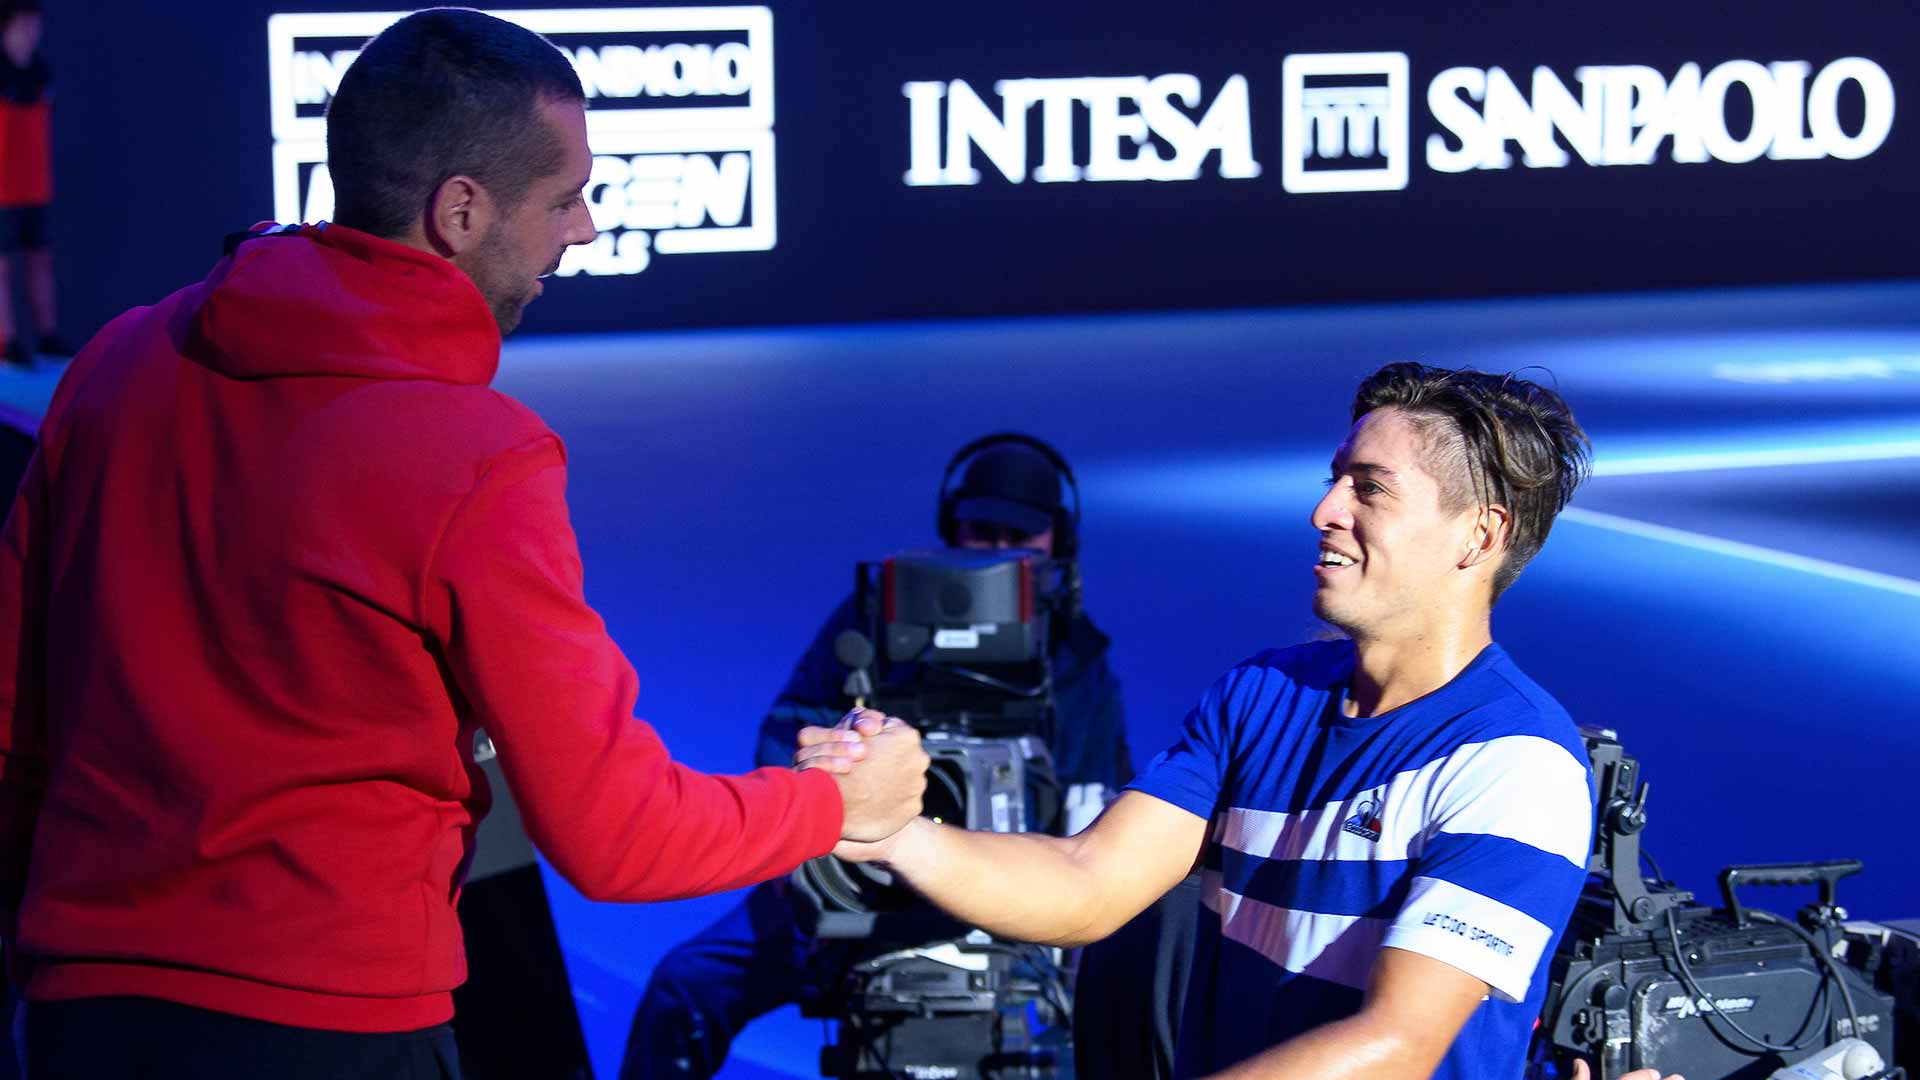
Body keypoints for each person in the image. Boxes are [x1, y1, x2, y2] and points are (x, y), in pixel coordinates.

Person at [0, 11, 926, 1079]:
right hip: (333, 1032)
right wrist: (840, 804)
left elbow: (15, 722)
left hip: (77, 1016)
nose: (581, 229)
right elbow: (616, 834)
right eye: (567, 197)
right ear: (461, 212)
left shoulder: (115, 365)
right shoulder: (478, 457)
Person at [800, 364, 1685, 1080]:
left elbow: (1396, 1045)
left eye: (1368, 488)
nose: (1325, 510)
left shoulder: (1520, 766)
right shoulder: (1260, 693)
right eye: (1335, 478)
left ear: (1478, 537)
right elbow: (1087, 883)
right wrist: (894, 832)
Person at [621, 433, 1137, 1078]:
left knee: (1102, 999)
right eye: (983, 532)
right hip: (854, 872)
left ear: (1061, 540)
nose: (1000, 552)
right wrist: (819, 815)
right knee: (687, 985)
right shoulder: (878, 612)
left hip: (1006, 873)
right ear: (953, 527)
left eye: (1020, 537)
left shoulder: (1078, 654)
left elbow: (1095, 794)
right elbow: (788, 730)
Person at [0, 0, 69, 369]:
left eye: (34, 25)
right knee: (2, 266)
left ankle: (47, 334)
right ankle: (8, 340)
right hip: (2, 191)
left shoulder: (42, 73)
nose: (29, 33)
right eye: (21, 25)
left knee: (40, 260)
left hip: (36, 188)